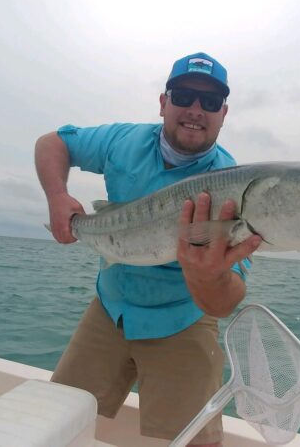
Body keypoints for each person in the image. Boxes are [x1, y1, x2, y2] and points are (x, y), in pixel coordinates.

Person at [34, 52, 262, 446]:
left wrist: (207, 275)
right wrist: (58, 197)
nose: (195, 109)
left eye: (209, 102)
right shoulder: (123, 140)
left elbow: (225, 302)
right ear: (163, 102)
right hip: (112, 306)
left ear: (223, 113)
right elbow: (52, 143)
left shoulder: (231, 184)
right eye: (184, 95)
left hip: (182, 318)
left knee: (196, 441)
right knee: (56, 420)